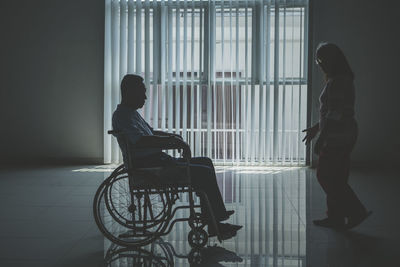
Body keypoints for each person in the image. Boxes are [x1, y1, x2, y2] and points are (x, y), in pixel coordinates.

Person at [112, 74, 242, 239]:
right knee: (203, 172)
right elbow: (141, 141)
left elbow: (150, 133)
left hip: (158, 162)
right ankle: (214, 221)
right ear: (130, 92)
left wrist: (173, 137)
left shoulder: (131, 114)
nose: (145, 97)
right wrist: (173, 142)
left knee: (206, 162)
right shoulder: (123, 116)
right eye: (142, 92)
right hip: (151, 168)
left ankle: (215, 215)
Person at [302, 43, 371, 229]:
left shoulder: (339, 81)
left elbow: (335, 114)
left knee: (327, 176)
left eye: (322, 60)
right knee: (336, 176)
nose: (320, 64)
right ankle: (335, 216)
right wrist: (317, 128)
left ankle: (356, 211)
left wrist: (321, 137)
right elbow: (332, 112)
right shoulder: (339, 79)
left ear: (333, 60)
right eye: (318, 60)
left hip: (338, 135)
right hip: (340, 133)